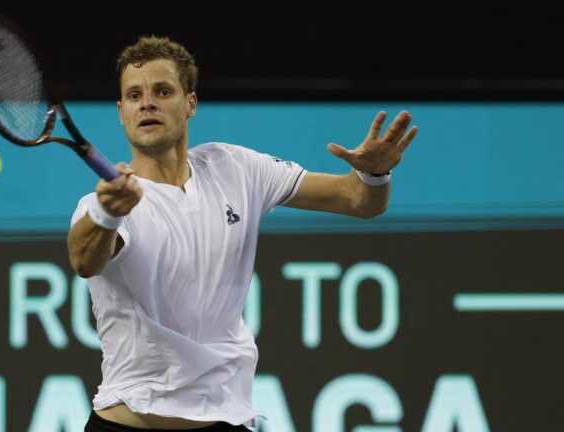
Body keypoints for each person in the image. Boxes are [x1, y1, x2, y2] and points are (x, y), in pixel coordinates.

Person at [68, 36, 417, 431]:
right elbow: (85, 260)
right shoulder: (105, 204)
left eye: (162, 91)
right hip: (130, 422)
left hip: (223, 419)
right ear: (121, 111)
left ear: (190, 103)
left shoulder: (234, 168)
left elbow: (359, 201)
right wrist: (107, 212)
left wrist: (373, 174)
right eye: (134, 95)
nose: (146, 103)